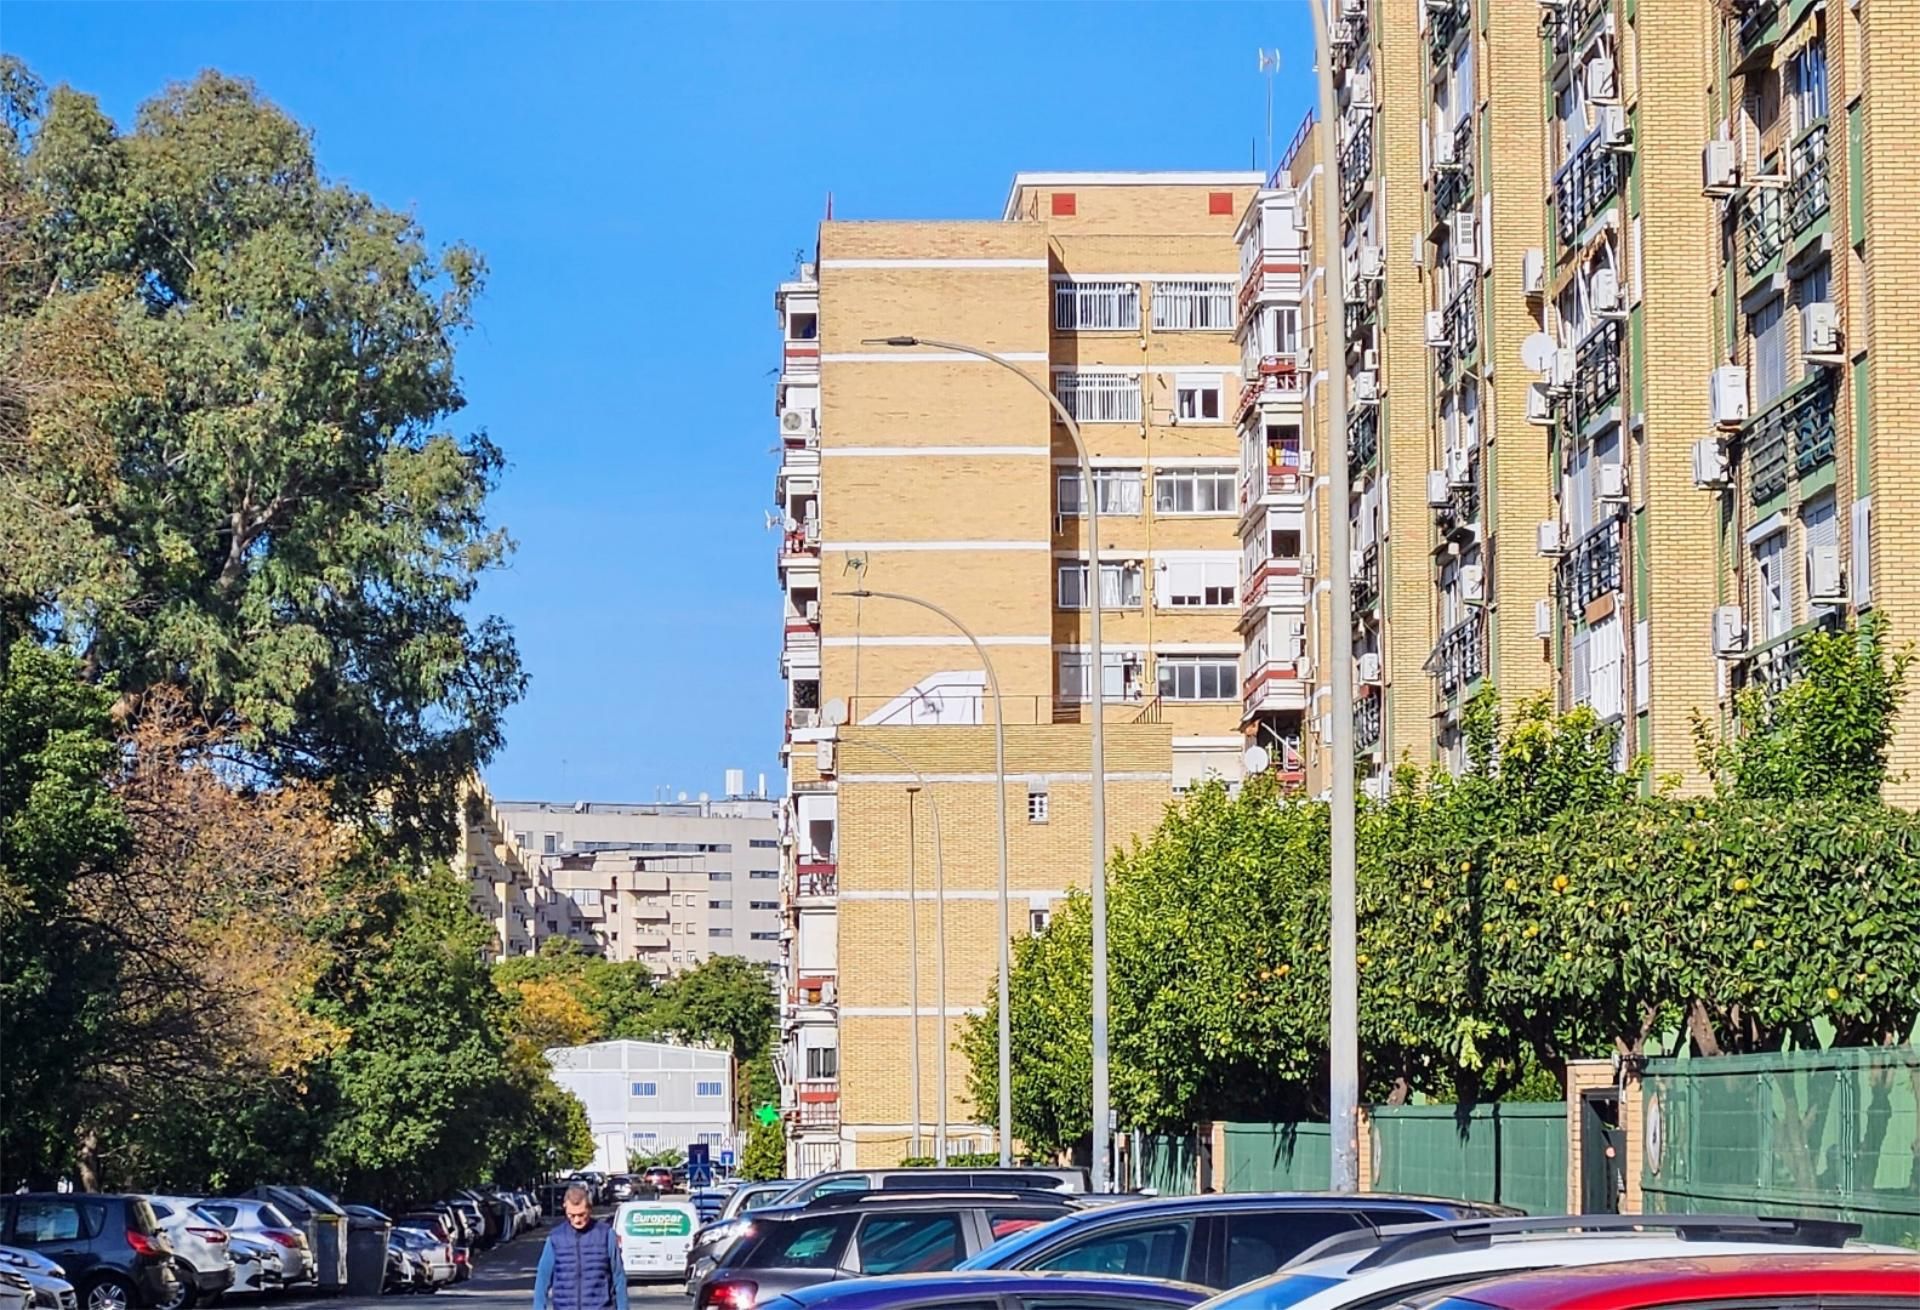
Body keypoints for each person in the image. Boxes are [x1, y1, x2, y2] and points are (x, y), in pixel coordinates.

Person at [531, 1184, 629, 1310]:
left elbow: (618, 1278)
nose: (577, 1220)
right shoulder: (556, 1238)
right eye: (571, 1215)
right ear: (565, 1208)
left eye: (581, 1214)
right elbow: (543, 1279)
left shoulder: (606, 1235)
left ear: (590, 1208)